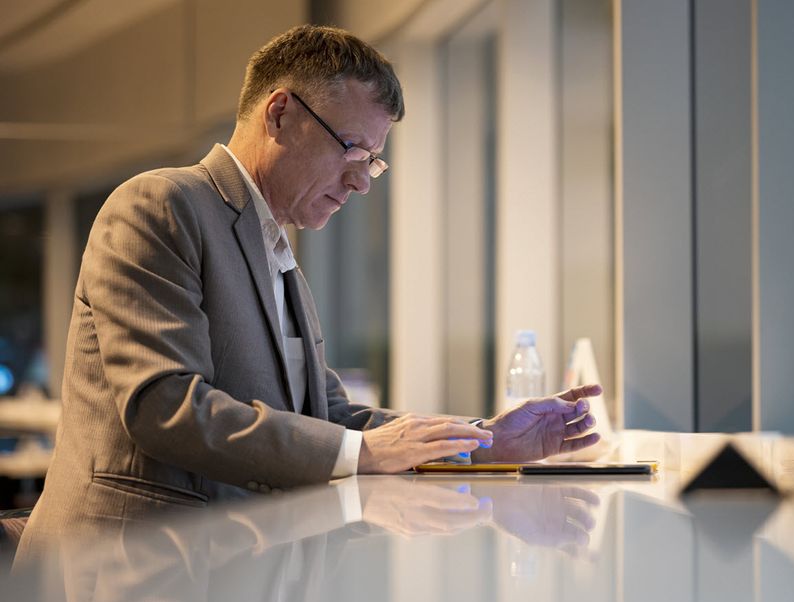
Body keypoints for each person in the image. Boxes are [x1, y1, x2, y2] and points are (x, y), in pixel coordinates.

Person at [17, 25, 600, 558]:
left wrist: (482, 442)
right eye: (352, 149)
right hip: (131, 574)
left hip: (229, 568)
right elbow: (165, 407)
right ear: (279, 115)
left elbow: (329, 417)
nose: (360, 182)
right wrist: (366, 454)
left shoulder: (277, 250)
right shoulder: (161, 206)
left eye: (372, 162)